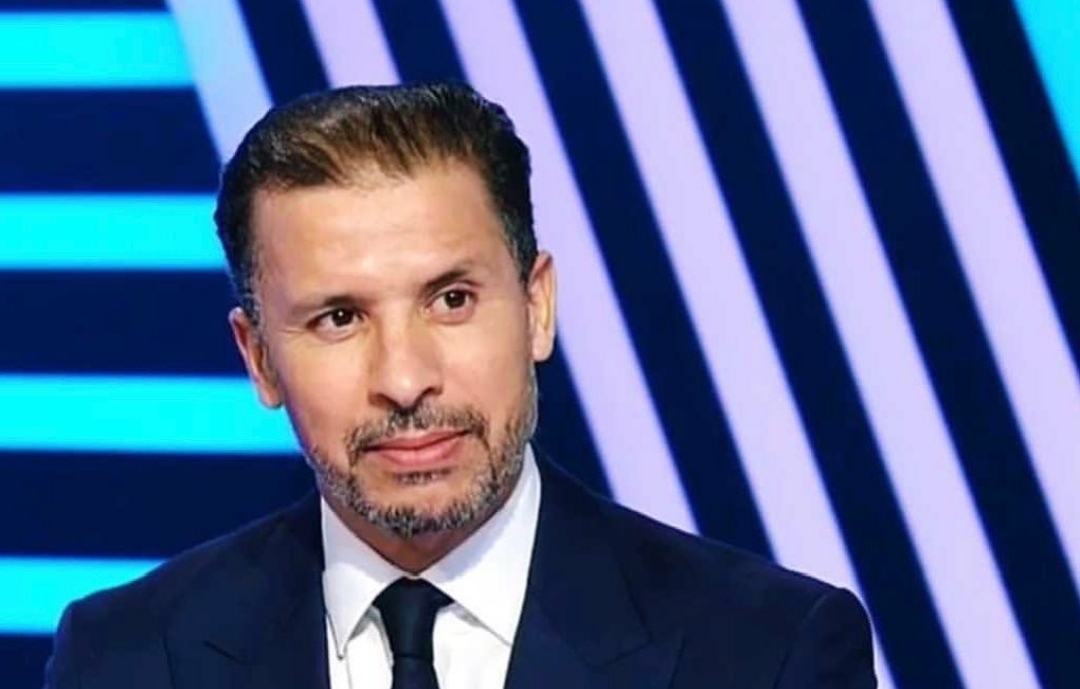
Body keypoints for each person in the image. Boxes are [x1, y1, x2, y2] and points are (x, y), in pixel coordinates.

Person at [43, 83, 876, 689]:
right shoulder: (125, 658)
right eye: (339, 317)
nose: (405, 379)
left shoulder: (766, 653)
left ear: (537, 307)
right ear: (259, 357)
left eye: (451, 300)